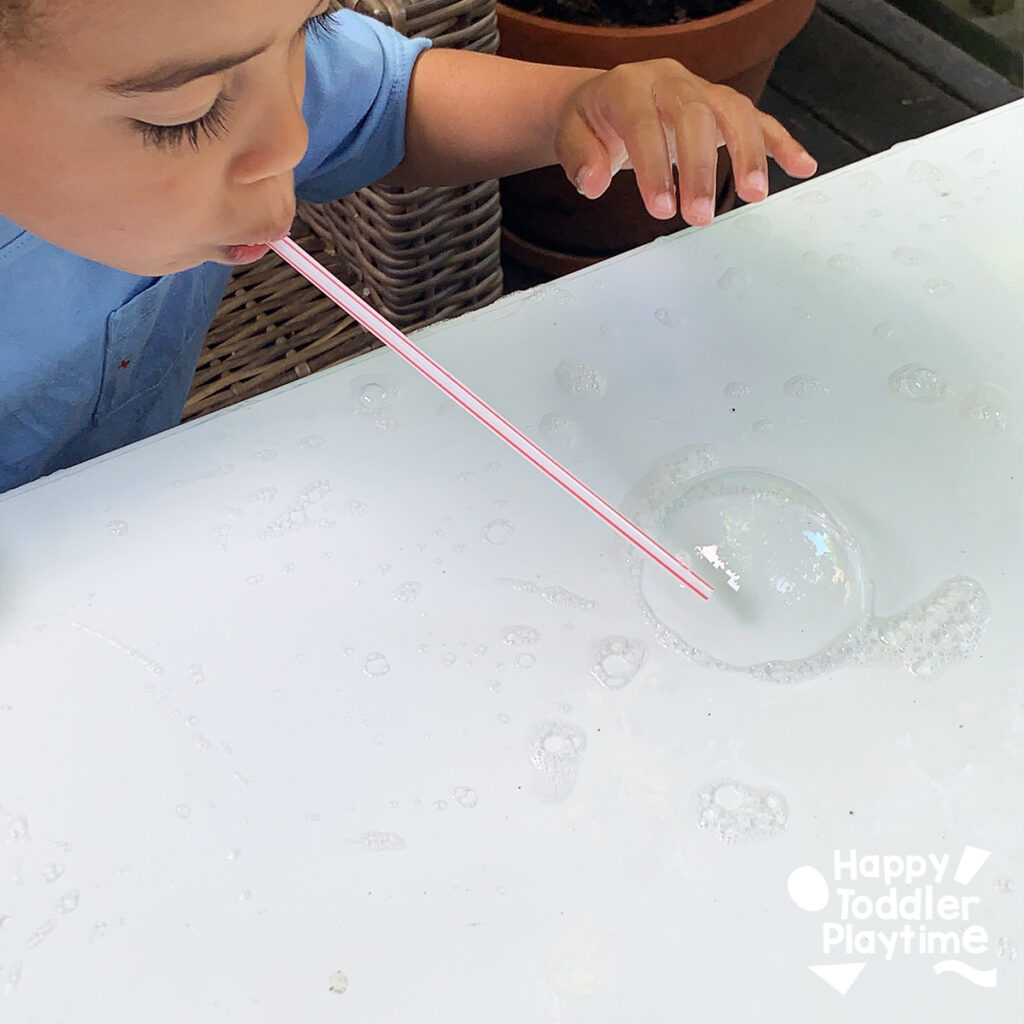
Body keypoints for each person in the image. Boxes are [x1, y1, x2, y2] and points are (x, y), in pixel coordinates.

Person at [0, 0, 818, 494]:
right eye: (188, 113)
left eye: (311, 27)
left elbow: (392, 103)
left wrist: (573, 105)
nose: (293, 135)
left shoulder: (193, 41)